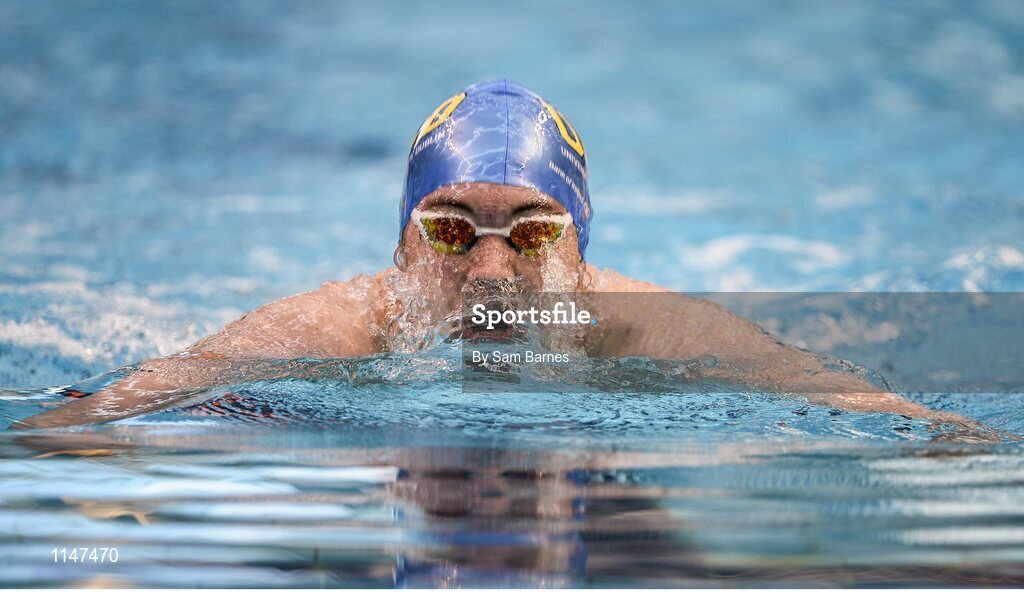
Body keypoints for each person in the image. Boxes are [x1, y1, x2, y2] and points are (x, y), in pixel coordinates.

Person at [12, 80, 976, 431]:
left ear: (582, 256)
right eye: (446, 228)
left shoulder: (646, 330)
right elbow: (101, 414)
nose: (488, 274)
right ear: (398, 242)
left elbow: (873, 409)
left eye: (533, 232)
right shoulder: (342, 330)